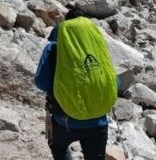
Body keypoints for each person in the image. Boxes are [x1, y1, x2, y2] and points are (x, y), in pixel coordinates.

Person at [34, 9, 119, 160]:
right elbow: (115, 83)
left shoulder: (54, 48)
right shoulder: (97, 49)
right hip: (98, 123)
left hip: (64, 121)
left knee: (57, 145)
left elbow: (41, 83)